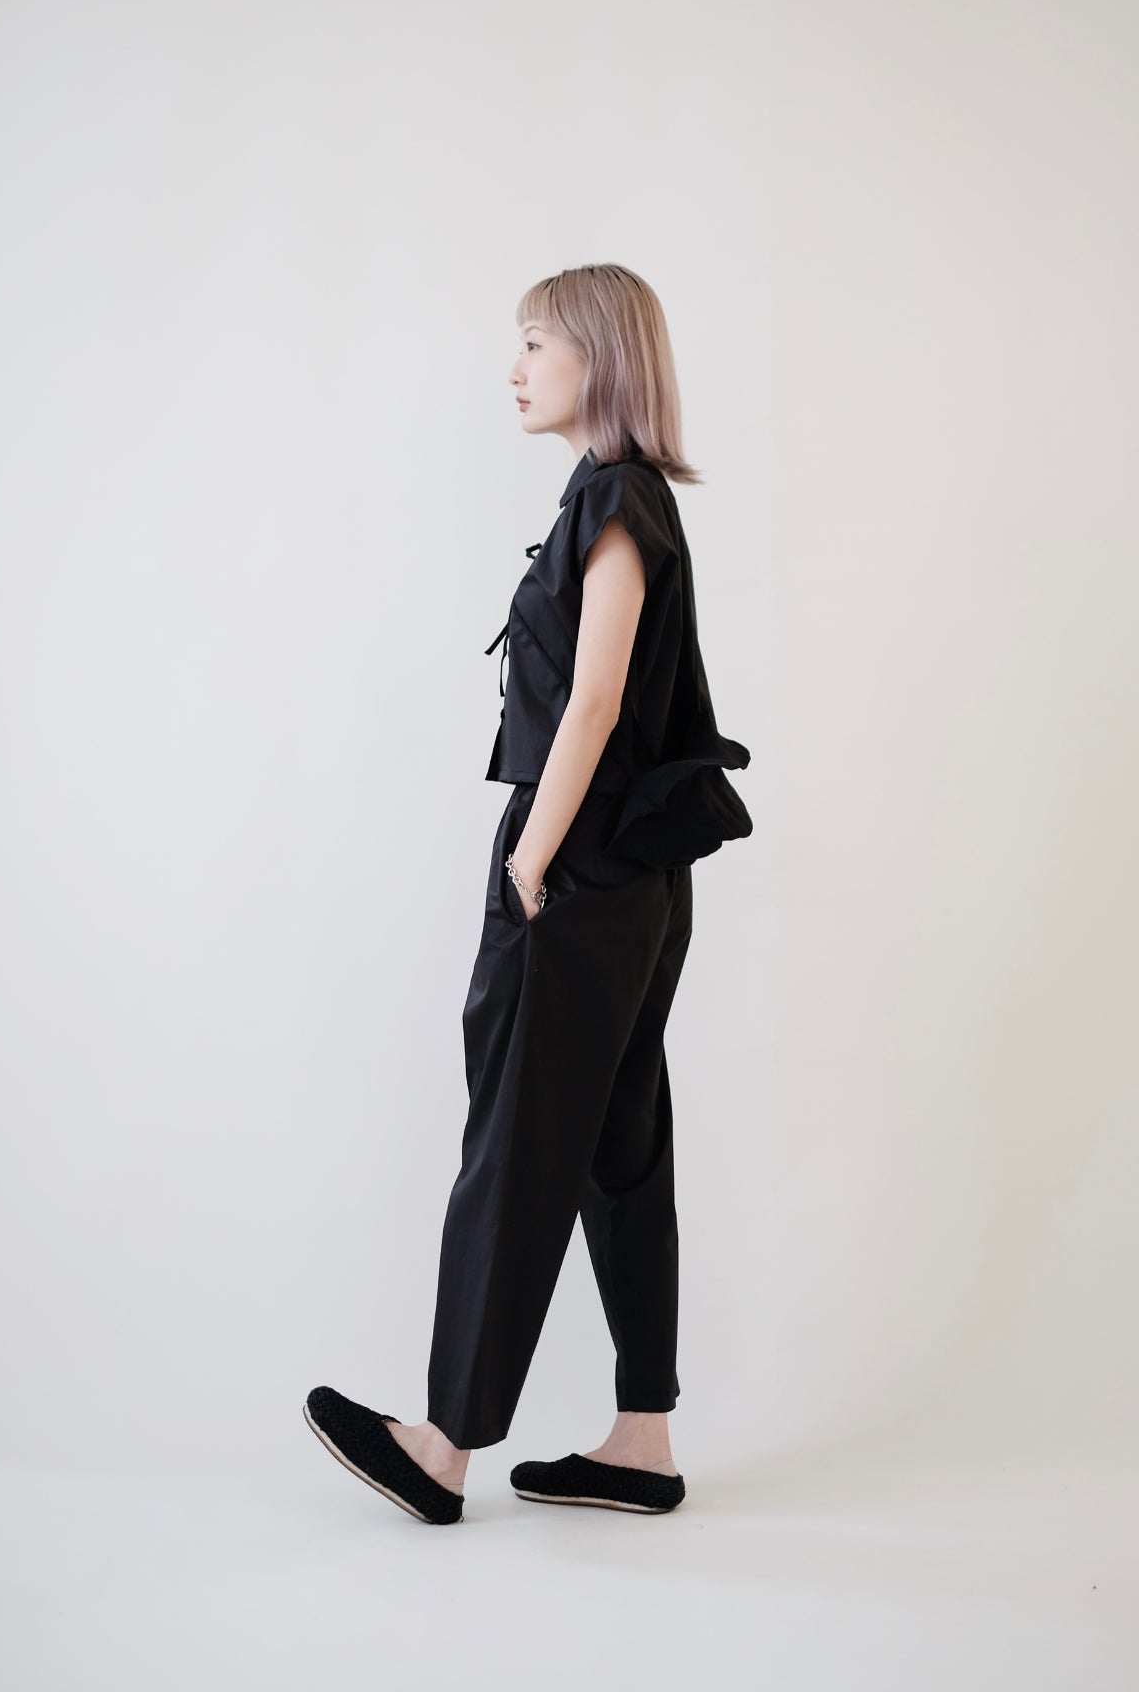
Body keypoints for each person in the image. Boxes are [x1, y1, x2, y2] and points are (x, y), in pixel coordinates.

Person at [304, 263, 752, 1524]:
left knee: (514, 1139)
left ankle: (441, 1448)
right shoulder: (629, 498)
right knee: (620, 1146)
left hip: (575, 868)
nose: (514, 367)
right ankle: (640, 1441)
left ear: (599, 357)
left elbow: (594, 699)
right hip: (640, 876)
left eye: (537, 342)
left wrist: (526, 858)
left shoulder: (611, 497)